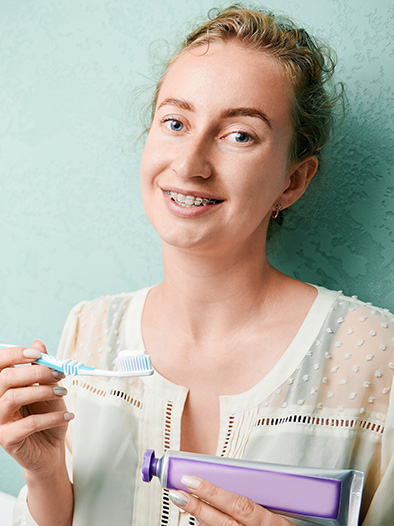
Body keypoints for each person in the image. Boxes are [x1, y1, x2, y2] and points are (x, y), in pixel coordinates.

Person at [1, 5, 393, 526]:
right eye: (176, 122)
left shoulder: (375, 358)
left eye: (240, 135)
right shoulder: (89, 331)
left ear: (293, 181)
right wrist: (46, 475)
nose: (189, 165)